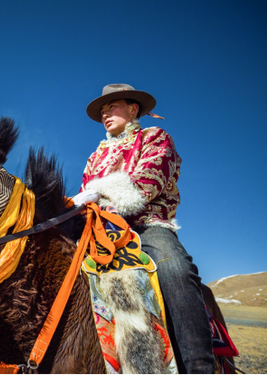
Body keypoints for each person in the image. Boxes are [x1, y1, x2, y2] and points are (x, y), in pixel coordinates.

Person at [76, 84, 215, 374]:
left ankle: (199, 366)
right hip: (101, 231)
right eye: (102, 111)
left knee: (175, 269)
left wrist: (102, 195)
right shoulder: (95, 156)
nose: (105, 114)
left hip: (147, 224)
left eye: (111, 107)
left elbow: (151, 178)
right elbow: (84, 194)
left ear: (133, 109)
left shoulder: (156, 138)